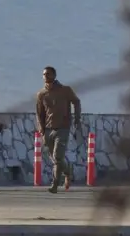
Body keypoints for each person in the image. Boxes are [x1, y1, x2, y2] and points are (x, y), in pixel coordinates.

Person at [36, 66, 82, 194]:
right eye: (44, 74)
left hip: (63, 128)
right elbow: (39, 113)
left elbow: (76, 102)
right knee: (56, 159)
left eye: (48, 74)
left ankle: (55, 184)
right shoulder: (41, 94)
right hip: (48, 129)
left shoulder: (65, 90)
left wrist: (77, 118)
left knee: (57, 157)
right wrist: (41, 129)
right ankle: (68, 172)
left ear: (54, 75)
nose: (46, 76)